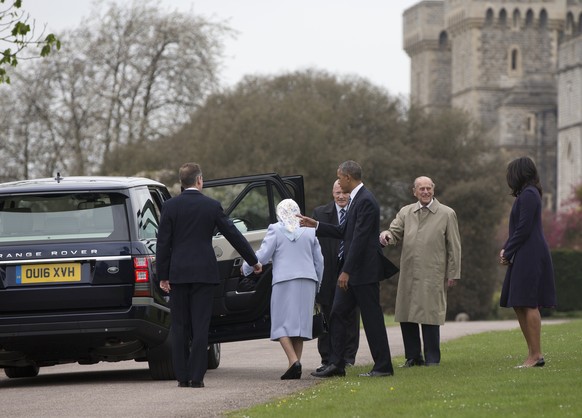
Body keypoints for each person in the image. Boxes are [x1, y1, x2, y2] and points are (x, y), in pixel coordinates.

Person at [156, 162, 261, 388]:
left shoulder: (170, 207)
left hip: (179, 273)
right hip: (204, 273)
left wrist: (162, 276)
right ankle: (196, 377)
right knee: (201, 325)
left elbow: (163, 244)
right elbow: (233, 234)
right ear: (199, 180)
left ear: (181, 183)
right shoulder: (211, 206)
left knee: (180, 326)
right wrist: (253, 260)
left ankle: (182, 377)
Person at [298, 160, 396, 378]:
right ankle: (336, 364)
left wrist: (346, 271)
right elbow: (345, 231)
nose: (339, 183)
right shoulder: (356, 200)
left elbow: (359, 240)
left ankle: (383, 367)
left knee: (372, 320)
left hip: (363, 274)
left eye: (340, 178)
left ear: (348, 178)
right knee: (337, 314)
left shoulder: (366, 201)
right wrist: (316, 225)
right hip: (354, 273)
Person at [379, 176, 461, 367]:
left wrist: (453, 273)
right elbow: (394, 232)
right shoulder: (406, 212)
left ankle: (432, 359)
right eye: (421, 189)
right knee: (406, 314)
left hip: (434, 272)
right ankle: (413, 357)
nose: (425, 192)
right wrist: (386, 236)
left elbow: (454, 246)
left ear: (433, 190)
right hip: (409, 272)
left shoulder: (447, 213)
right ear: (414, 191)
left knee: (430, 315)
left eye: (428, 188)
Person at [242, 199, 324, 380]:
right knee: (300, 326)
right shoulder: (309, 231)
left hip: (284, 281)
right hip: (308, 280)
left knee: (281, 324)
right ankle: (294, 365)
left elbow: (262, 256)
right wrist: (317, 283)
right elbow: (319, 261)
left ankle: (294, 362)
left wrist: (246, 268)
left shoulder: (276, 229)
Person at [499, 156, 556, 368]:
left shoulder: (530, 194)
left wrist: (508, 251)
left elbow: (524, 228)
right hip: (523, 253)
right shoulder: (525, 195)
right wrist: (506, 248)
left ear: (519, 173)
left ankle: (537, 354)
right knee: (519, 303)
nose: (508, 178)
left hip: (531, 253)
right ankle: (532, 354)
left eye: (510, 173)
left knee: (529, 302)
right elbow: (517, 229)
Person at [312, 180, 360, 371]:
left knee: (351, 316)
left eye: (344, 193)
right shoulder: (320, 214)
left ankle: (348, 357)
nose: (341, 196)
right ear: (332, 193)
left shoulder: (356, 212)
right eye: (337, 192)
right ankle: (327, 358)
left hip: (351, 271)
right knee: (326, 315)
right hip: (327, 272)